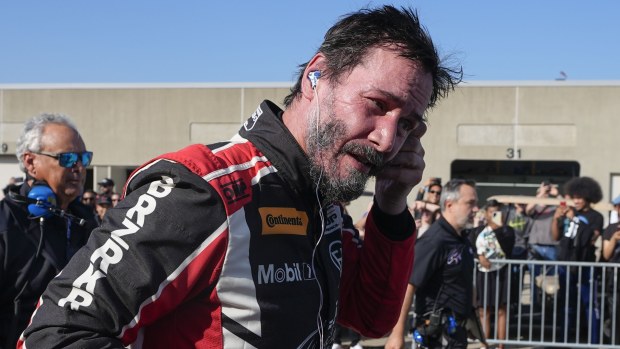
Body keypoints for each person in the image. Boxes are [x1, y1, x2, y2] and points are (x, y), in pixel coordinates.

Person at [20, 6, 462, 349]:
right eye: (377, 104)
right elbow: (54, 334)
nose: (388, 140)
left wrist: (391, 204)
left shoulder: (321, 201)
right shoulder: (206, 188)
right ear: (317, 76)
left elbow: (370, 318)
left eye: (406, 123)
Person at [0, 114, 98, 348]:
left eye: (84, 158)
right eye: (67, 158)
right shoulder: (5, 224)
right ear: (31, 163)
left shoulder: (88, 221)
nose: (79, 167)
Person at [385, 179, 479, 349]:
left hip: (457, 332)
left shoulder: (462, 238)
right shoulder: (435, 240)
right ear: (449, 205)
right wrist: (397, 334)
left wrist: (471, 318)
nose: (475, 209)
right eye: (470, 203)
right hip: (437, 335)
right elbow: (408, 285)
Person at [552, 176, 604, 344]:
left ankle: (593, 341)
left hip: (586, 264)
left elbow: (589, 239)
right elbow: (555, 236)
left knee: (589, 304)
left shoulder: (596, 217)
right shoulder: (567, 213)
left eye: (580, 198)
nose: (576, 201)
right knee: (566, 304)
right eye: (574, 198)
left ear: (588, 197)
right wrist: (556, 218)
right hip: (566, 264)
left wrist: (574, 219)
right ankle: (563, 340)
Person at [472, 200, 514, 349]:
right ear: (486, 213)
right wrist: (480, 257)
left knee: (501, 309)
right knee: (484, 309)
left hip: (502, 272)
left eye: (497, 212)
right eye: (491, 212)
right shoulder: (478, 231)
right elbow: (471, 246)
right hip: (484, 273)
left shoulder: (507, 230)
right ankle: (485, 344)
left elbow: (509, 247)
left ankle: (501, 345)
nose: (494, 215)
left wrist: (499, 228)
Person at [602, 195, 620, 344]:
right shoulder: (611, 229)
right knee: (615, 314)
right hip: (615, 280)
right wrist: (614, 239)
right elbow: (606, 254)